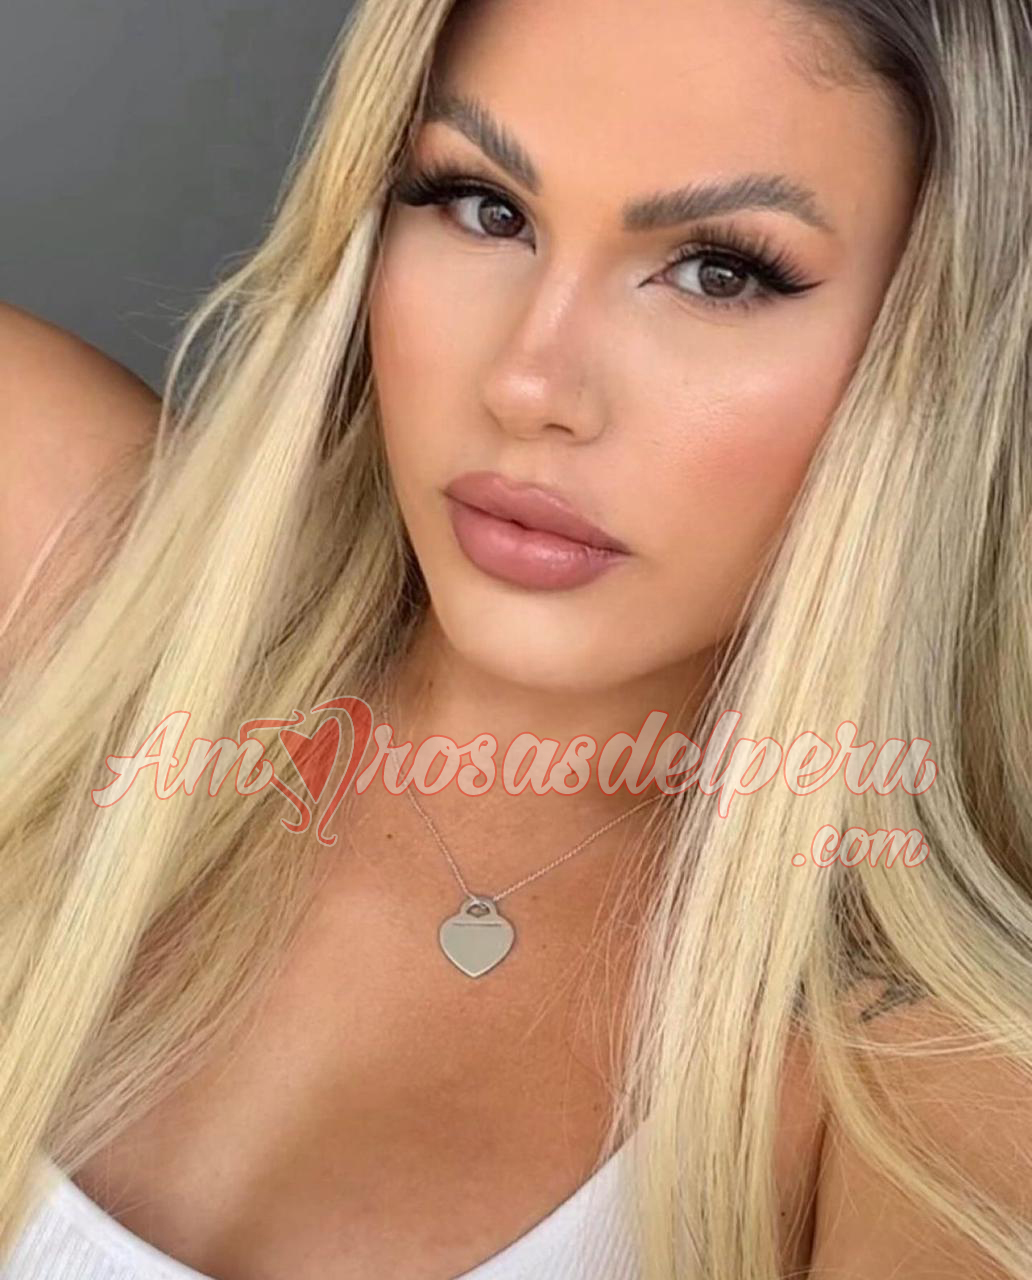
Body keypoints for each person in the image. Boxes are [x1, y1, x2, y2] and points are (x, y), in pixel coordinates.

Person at [0, 0, 1030, 1276]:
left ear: (947, 353)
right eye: (485, 207)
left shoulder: (922, 1083)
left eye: (720, 272)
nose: (529, 384)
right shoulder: (80, 590)